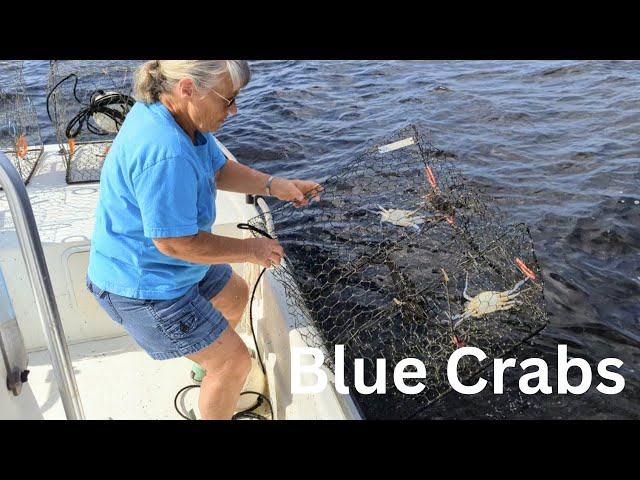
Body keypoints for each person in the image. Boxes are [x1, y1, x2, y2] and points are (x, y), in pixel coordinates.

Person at [85, 60, 321, 420]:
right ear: (187, 89)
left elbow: (219, 168)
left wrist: (277, 186)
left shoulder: (182, 119)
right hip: (143, 285)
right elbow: (175, 243)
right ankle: (216, 379)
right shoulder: (166, 151)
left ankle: (203, 368)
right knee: (233, 364)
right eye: (227, 100)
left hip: (173, 265)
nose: (234, 109)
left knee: (237, 295)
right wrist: (251, 249)